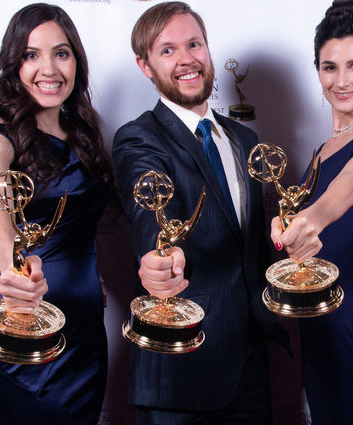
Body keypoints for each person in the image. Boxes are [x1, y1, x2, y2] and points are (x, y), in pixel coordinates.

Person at [112, 2, 286, 424]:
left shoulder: (244, 138)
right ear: (145, 66)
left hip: (249, 365)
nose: (186, 59)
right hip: (179, 371)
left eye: (194, 44)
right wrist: (158, 260)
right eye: (167, 50)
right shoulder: (138, 139)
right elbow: (150, 214)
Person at [0, 4, 113, 424]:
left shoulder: (82, 133)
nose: (49, 68)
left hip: (84, 332)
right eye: (31, 55)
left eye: (61, 53)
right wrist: (15, 266)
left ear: (77, 62)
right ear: (13, 65)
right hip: (25, 328)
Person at [269, 1, 353, 423]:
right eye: (330, 68)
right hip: (317, 325)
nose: (341, 81)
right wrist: (284, 225)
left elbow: (348, 187)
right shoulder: (320, 150)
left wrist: (311, 219)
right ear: (318, 72)